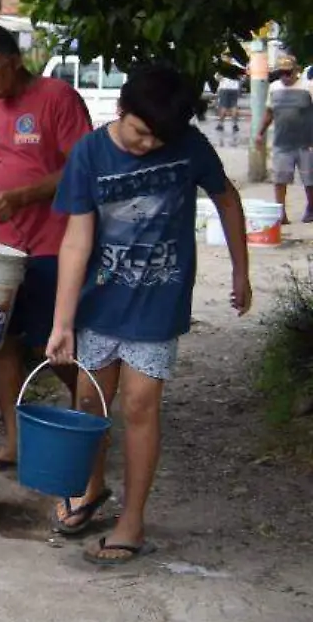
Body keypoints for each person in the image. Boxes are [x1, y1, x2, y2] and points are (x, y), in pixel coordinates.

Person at [46, 64, 253, 566]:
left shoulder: (188, 147)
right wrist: (63, 320)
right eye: (141, 133)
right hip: (99, 304)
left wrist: (241, 272)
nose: (148, 145)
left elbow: (227, 198)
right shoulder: (90, 155)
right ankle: (90, 488)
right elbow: (76, 239)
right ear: (121, 110)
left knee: (139, 407)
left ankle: (132, 521)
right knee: (91, 404)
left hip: (158, 304)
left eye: (160, 138)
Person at [0, 25, 88, 467]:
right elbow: (0, 162)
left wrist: (22, 197)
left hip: (55, 244)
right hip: (3, 248)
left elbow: (81, 170)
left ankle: (91, 416)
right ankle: (15, 440)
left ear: (14, 59)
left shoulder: (58, 98)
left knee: (52, 346)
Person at [255, 55, 313, 223]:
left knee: (309, 180)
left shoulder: (308, 87)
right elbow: (269, 113)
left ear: (296, 71)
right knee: (280, 179)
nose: (285, 76)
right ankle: (281, 214)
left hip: (307, 143)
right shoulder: (274, 88)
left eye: (288, 72)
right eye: (282, 73)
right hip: (282, 143)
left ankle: (311, 209)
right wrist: (260, 133)